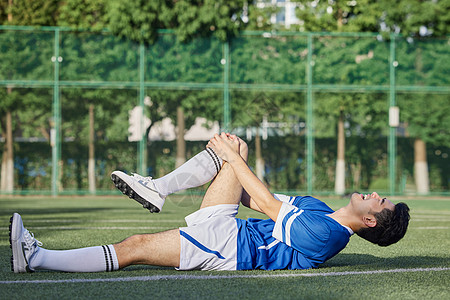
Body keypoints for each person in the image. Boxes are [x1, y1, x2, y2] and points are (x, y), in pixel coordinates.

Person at [10, 133, 410, 273]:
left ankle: (36, 259)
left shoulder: (328, 235)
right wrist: (235, 156)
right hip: (233, 229)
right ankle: (158, 188)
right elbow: (254, 197)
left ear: (371, 222)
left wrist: (236, 161)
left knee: (134, 247)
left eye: (380, 202)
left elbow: (269, 205)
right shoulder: (322, 210)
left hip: (231, 248)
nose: (375, 194)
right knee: (235, 146)